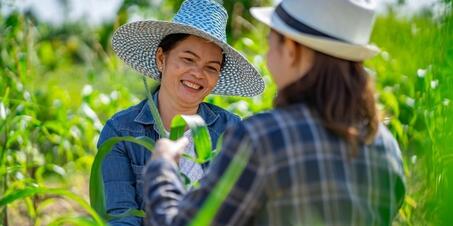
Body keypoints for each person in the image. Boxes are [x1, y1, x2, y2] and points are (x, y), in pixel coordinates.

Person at [143, 0, 406, 225]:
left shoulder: (261, 138)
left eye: (271, 43)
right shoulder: (385, 146)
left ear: (290, 50)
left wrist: (162, 168)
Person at [97, 0, 264, 225]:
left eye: (211, 67)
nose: (197, 73)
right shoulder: (121, 132)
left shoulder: (232, 130)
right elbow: (121, 217)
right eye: (188, 59)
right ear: (161, 59)